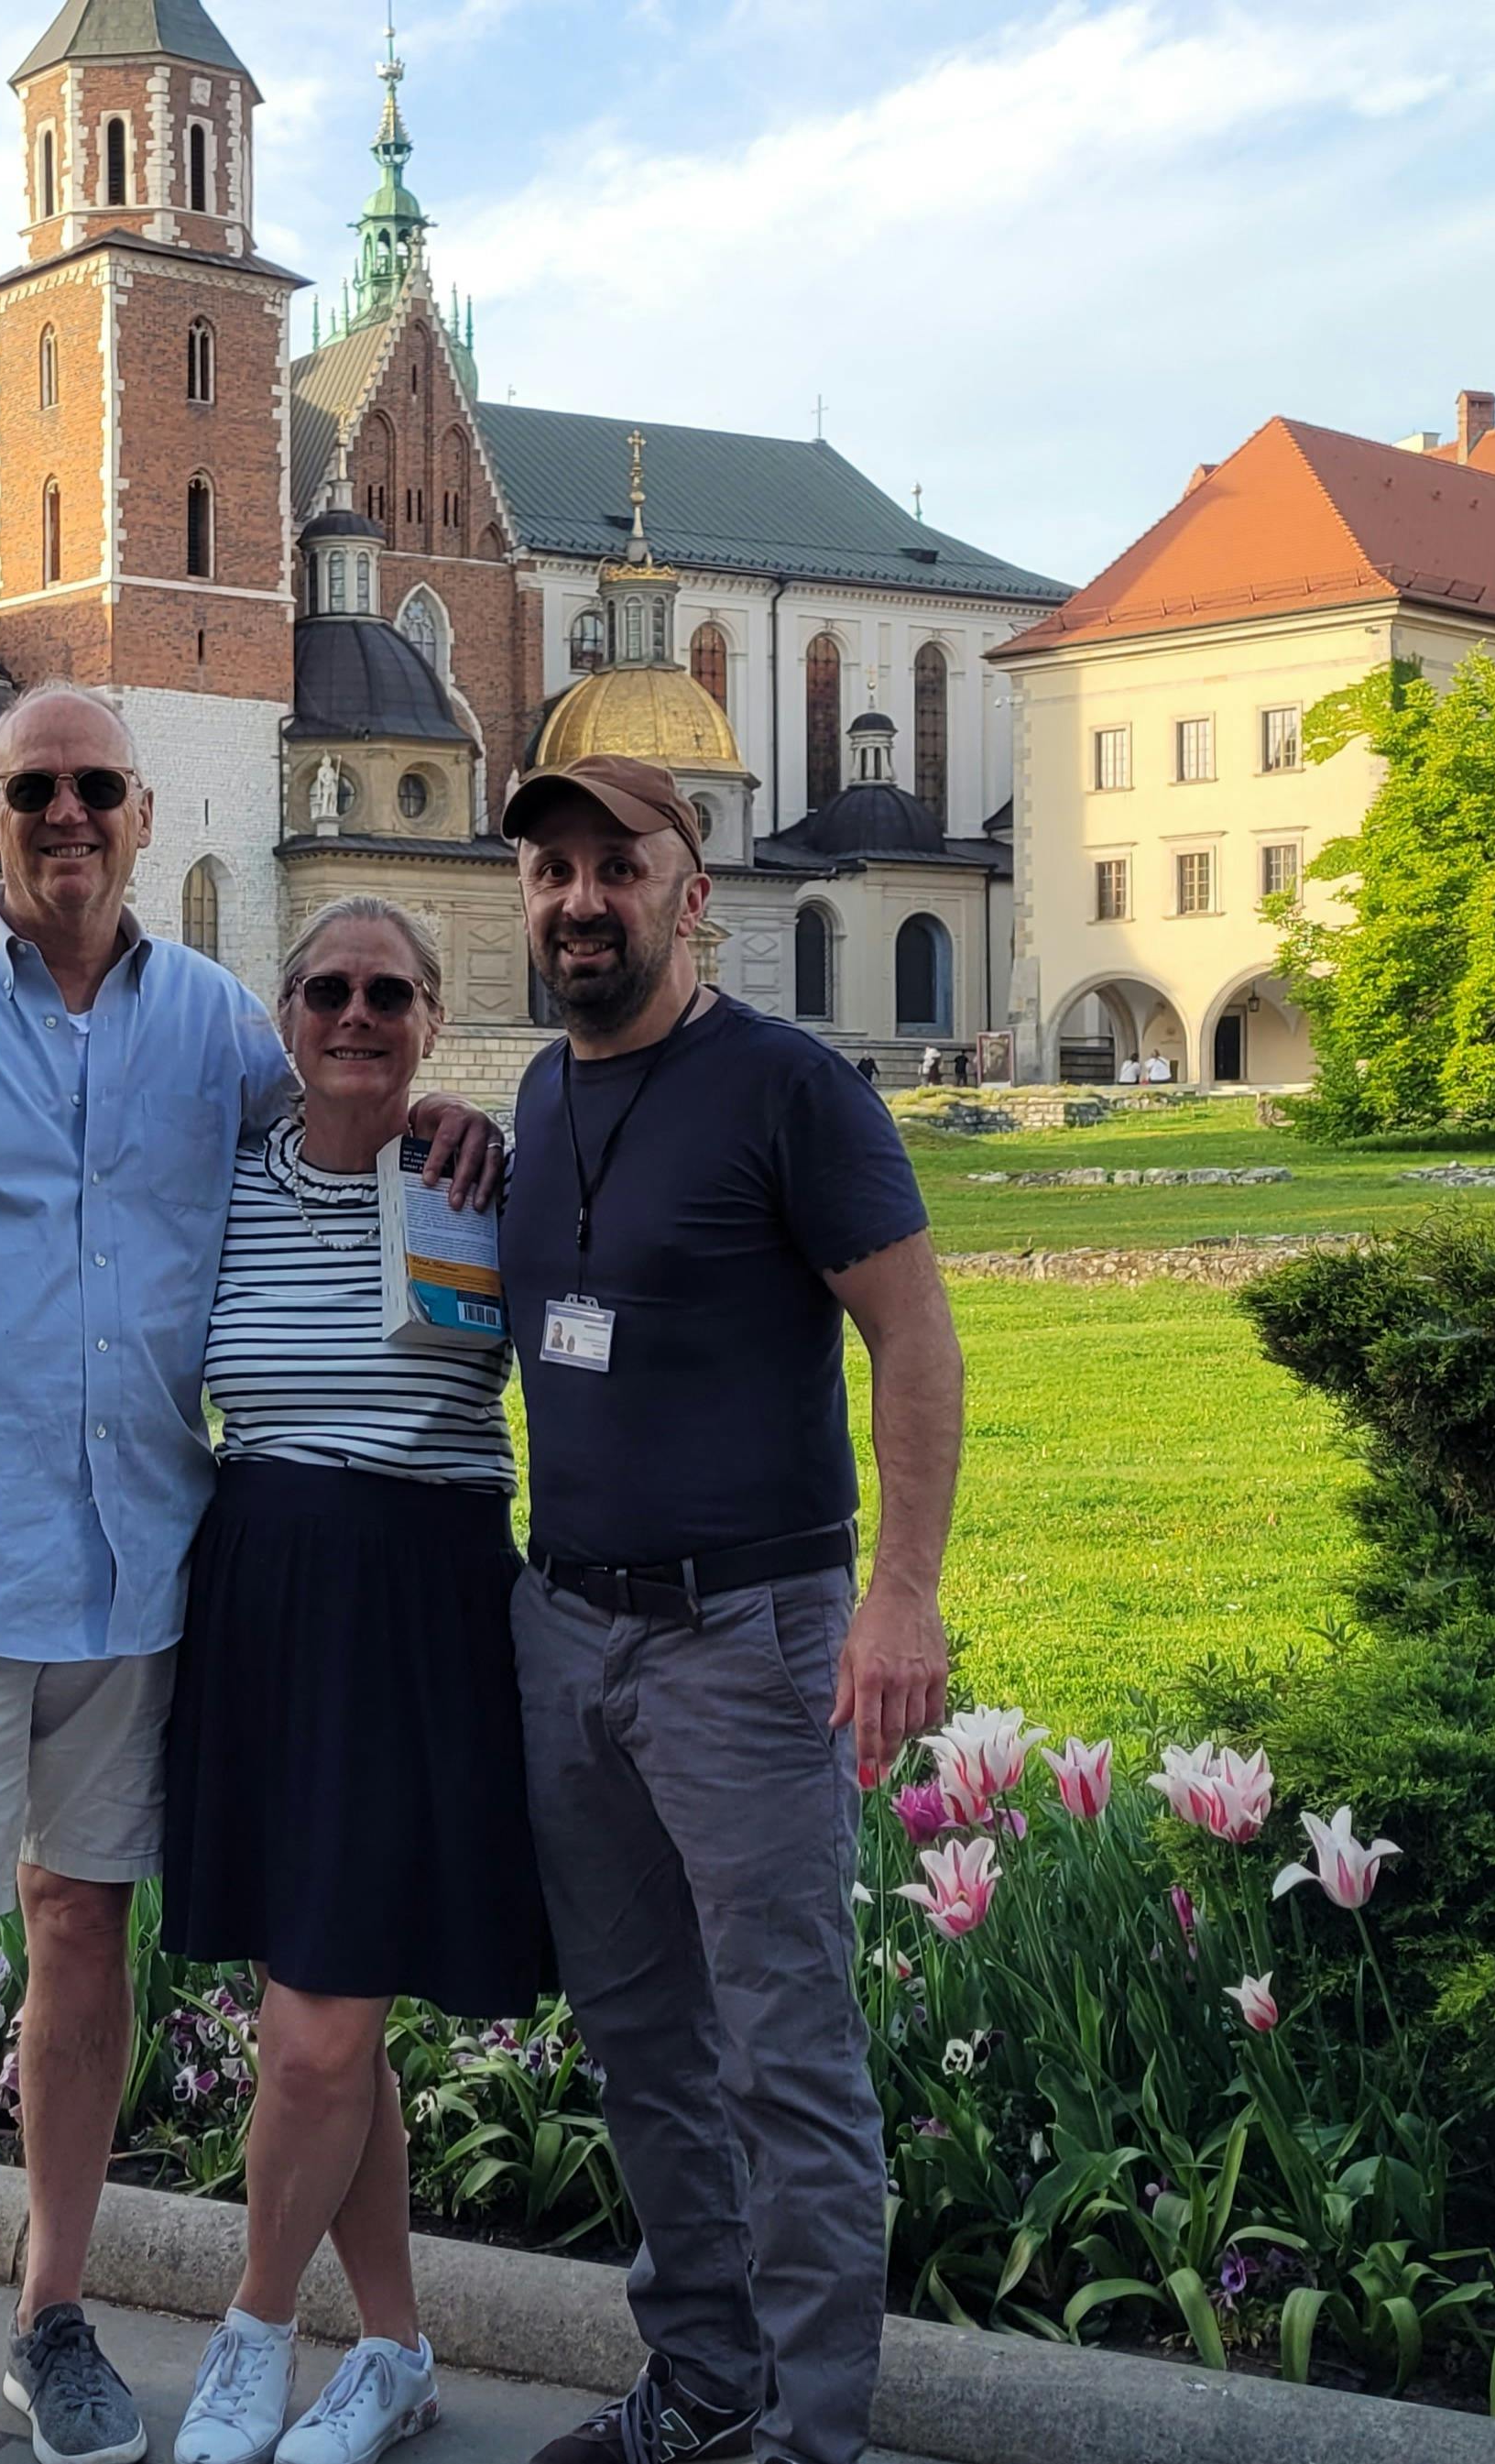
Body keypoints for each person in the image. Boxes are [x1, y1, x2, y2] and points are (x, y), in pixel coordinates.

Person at [0, 684, 500, 2464]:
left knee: (84, 1930)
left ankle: (50, 2311)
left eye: (96, 788)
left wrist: (459, 1122)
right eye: (34, 790)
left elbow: (341, 1113)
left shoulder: (219, 1022)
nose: (66, 816)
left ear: (143, 814)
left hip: (149, 1571)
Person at [494, 755, 967, 2464]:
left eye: (616, 866)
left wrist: (900, 1592)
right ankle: (702, 2381)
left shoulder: (788, 1087)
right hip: (571, 1632)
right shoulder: (537, 1094)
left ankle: (809, 2436)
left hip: (746, 1635)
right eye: (552, 870)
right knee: (641, 2042)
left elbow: (914, 1337)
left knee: (785, 2056)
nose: (580, 899)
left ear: (691, 895)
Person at [160, 896, 546, 2464]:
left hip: (418, 1602)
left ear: (433, 1019)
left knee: (318, 2027)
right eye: (327, 990)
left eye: (390, 993)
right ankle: (391, 2347)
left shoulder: (476, 1180)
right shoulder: (222, 1183)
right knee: (326, 2001)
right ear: (285, 1016)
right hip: (261, 1593)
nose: (357, 1016)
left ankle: (254, 2328)